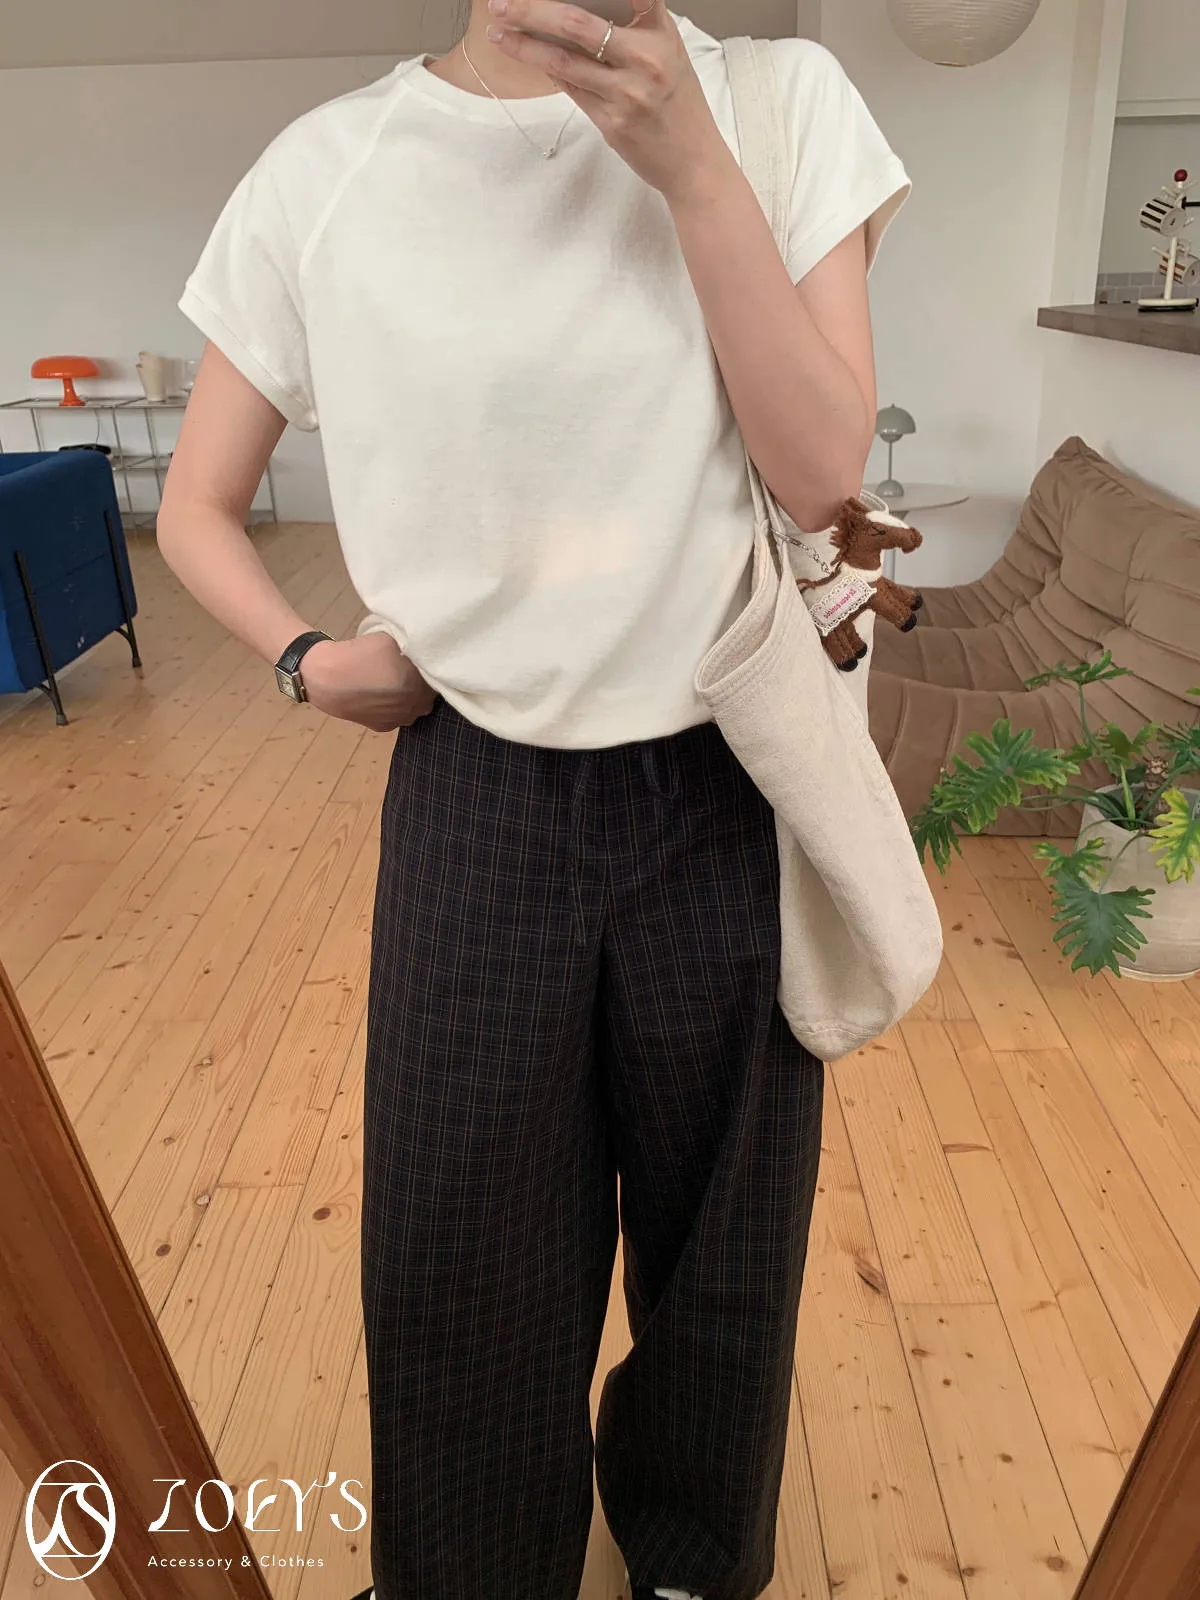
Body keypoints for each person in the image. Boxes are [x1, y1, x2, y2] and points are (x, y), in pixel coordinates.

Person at [157, 3, 910, 1597]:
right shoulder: (327, 170)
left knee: (728, 1243)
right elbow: (198, 503)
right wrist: (303, 658)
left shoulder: (780, 103)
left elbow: (828, 476)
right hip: (473, 782)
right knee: (456, 1252)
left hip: (730, 761)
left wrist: (691, 166)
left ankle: (691, 1559)